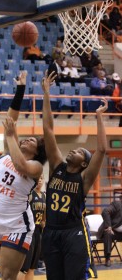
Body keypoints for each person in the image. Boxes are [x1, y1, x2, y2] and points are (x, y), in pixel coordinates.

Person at [41, 70, 107, 280]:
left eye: (79, 152)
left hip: (73, 233)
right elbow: (48, 130)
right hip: (50, 232)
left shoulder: (84, 179)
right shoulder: (57, 167)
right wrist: (46, 94)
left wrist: (98, 117)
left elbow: (103, 150)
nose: (73, 150)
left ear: (85, 163)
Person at [0, 71, 47, 280]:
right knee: (2, 270)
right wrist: (20, 89)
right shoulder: (8, 153)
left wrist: (11, 135)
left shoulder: (36, 166)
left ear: (37, 151)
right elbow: (11, 120)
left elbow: (20, 165)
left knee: (8, 277)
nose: (25, 139)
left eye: (31, 141)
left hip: (17, 224)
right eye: (25, 138)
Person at [17, 174, 46, 280]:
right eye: (37, 178)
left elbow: (44, 215)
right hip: (28, 231)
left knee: (32, 267)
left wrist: (44, 221)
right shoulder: (29, 194)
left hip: (38, 232)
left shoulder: (44, 195)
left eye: (41, 178)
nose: (39, 180)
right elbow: (21, 211)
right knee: (24, 266)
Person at [98, 194, 122, 267]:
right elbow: (105, 212)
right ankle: (107, 258)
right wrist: (109, 226)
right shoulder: (116, 204)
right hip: (112, 231)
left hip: (120, 233)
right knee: (108, 233)